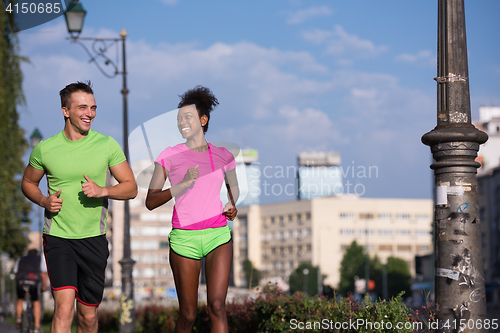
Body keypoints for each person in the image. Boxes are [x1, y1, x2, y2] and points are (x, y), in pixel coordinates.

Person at [21, 81, 138, 333]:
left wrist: (103, 190)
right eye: (82, 107)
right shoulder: (46, 148)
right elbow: (28, 182)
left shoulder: (106, 145)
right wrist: (43, 200)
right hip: (58, 237)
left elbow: (131, 187)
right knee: (64, 309)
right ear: (66, 111)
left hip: (93, 240)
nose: (90, 113)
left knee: (87, 317)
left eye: (93, 108)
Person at [146, 86, 239, 333]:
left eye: (187, 117)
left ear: (203, 119)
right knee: (188, 315)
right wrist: (182, 185)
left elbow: (233, 190)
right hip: (184, 239)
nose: (182, 122)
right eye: (179, 119)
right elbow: (151, 201)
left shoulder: (224, 156)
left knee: (217, 306)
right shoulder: (169, 156)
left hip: (217, 235)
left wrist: (232, 206)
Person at [14, 247, 48, 333]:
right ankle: (37, 327)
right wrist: (44, 287)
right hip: (33, 281)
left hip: (21, 280)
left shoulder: (20, 259)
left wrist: (17, 284)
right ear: (36, 253)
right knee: (36, 301)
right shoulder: (39, 259)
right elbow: (44, 274)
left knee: (20, 299)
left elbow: (16, 272)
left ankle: (18, 319)